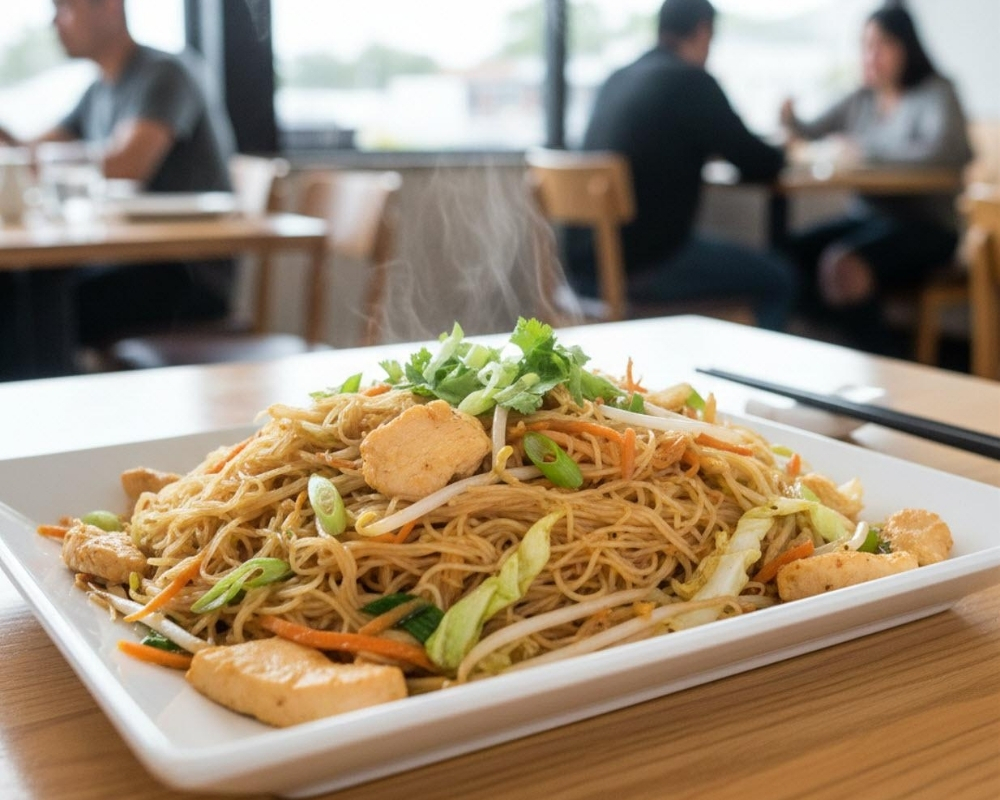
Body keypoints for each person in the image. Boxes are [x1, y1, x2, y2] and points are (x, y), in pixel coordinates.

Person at [0, 0, 236, 374]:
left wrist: (51, 158)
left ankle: (55, 419)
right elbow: (34, 152)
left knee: (40, 300)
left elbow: (126, 164)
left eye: (65, 9)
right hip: (124, 262)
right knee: (20, 286)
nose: (54, 22)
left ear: (109, 7)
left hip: (182, 273)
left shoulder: (165, 72)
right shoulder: (97, 91)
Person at [567, 0, 797, 331]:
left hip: (582, 271)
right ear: (704, 31)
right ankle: (754, 380)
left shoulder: (616, 78)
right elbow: (761, 161)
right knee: (779, 278)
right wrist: (786, 144)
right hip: (645, 267)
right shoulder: (693, 82)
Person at [780, 4, 972, 353]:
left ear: (906, 46)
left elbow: (945, 154)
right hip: (868, 218)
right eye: (865, 46)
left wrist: (864, 151)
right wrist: (790, 119)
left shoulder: (936, 92)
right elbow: (811, 130)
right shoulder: (862, 99)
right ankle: (838, 349)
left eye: (880, 45)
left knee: (842, 263)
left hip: (927, 225)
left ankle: (885, 363)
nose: (870, 55)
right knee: (788, 253)